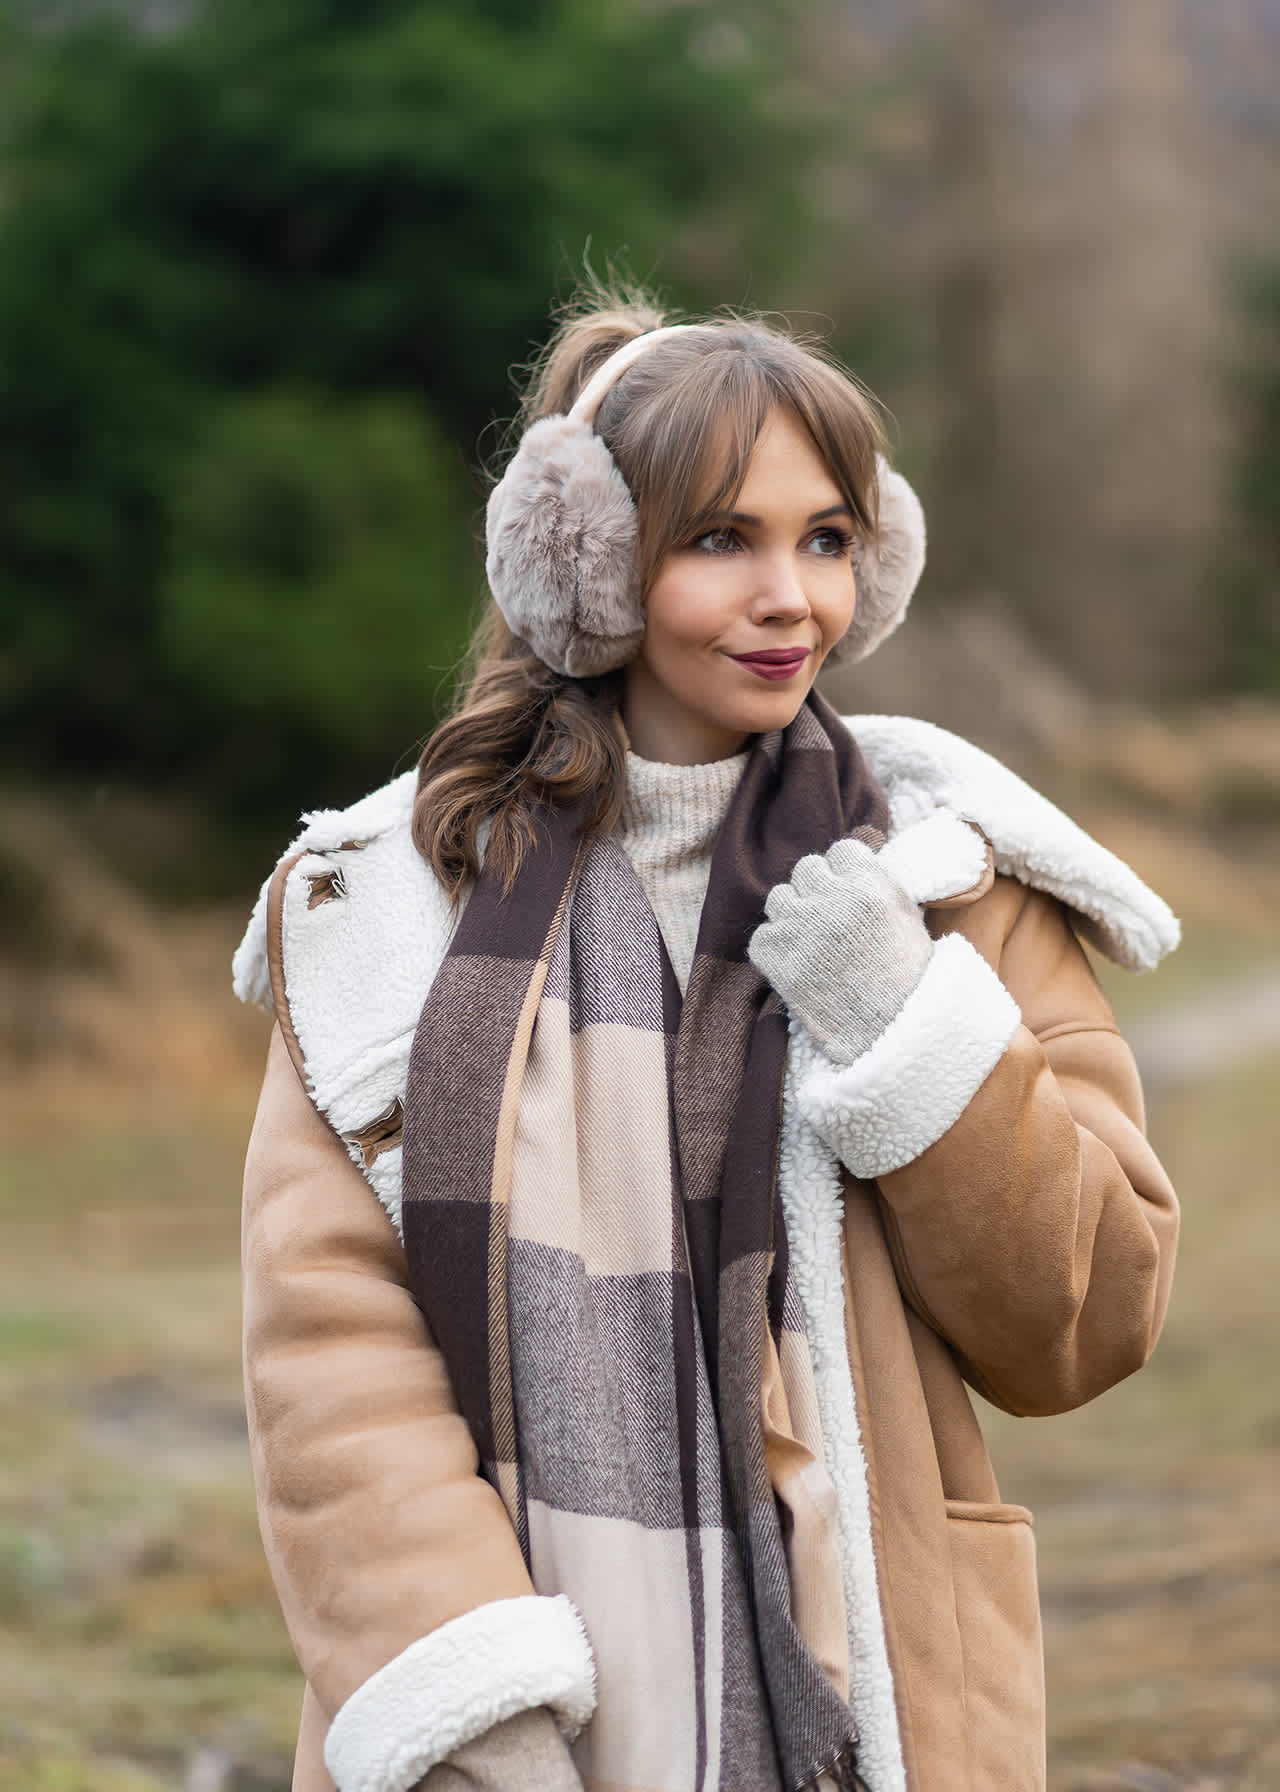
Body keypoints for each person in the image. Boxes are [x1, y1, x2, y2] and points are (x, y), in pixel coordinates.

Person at [234, 290, 1181, 1792]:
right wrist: (477, 1718)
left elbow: (1089, 1319)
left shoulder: (946, 881)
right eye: (723, 539)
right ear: (594, 564)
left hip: (868, 1697)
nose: (790, 598)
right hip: (532, 1708)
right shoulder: (395, 908)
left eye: (829, 538)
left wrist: (902, 1023)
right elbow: (331, 1357)